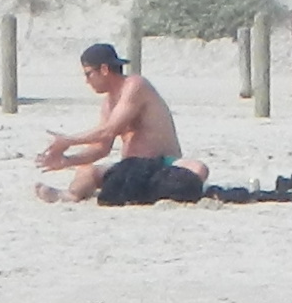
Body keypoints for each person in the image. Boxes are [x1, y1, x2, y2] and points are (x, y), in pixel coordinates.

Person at [36, 42, 200, 203]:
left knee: (197, 168)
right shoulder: (109, 103)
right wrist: (67, 160)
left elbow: (109, 130)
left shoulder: (135, 85)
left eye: (88, 74)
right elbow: (101, 148)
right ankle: (70, 195)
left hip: (163, 163)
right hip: (129, 169)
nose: (87, 81)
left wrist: (69, 140)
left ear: (104, 69)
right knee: (86, 171)